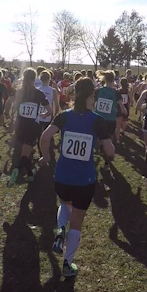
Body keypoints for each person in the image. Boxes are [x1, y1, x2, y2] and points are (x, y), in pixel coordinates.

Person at [39, 77, 114, 277]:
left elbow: (46, 137)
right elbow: (110, 150)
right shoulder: (97, 120)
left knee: (65, 204)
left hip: (62, 176)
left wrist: (45, 156)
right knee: (78, 223)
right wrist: (109, 150)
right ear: (92, 96)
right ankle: (67, 264)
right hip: (85, 180)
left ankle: (60, 228)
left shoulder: (64, 116)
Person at [9, 68, 52, 184]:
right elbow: (50, 111)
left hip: (20, 126)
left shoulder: (18, 92)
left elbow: (11, 107)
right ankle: (17, 169)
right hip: (32, 127)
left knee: (24, 153)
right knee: (25, 154)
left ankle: (30, 174)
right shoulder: (39, 93)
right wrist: (42, 115)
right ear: (35, 78)